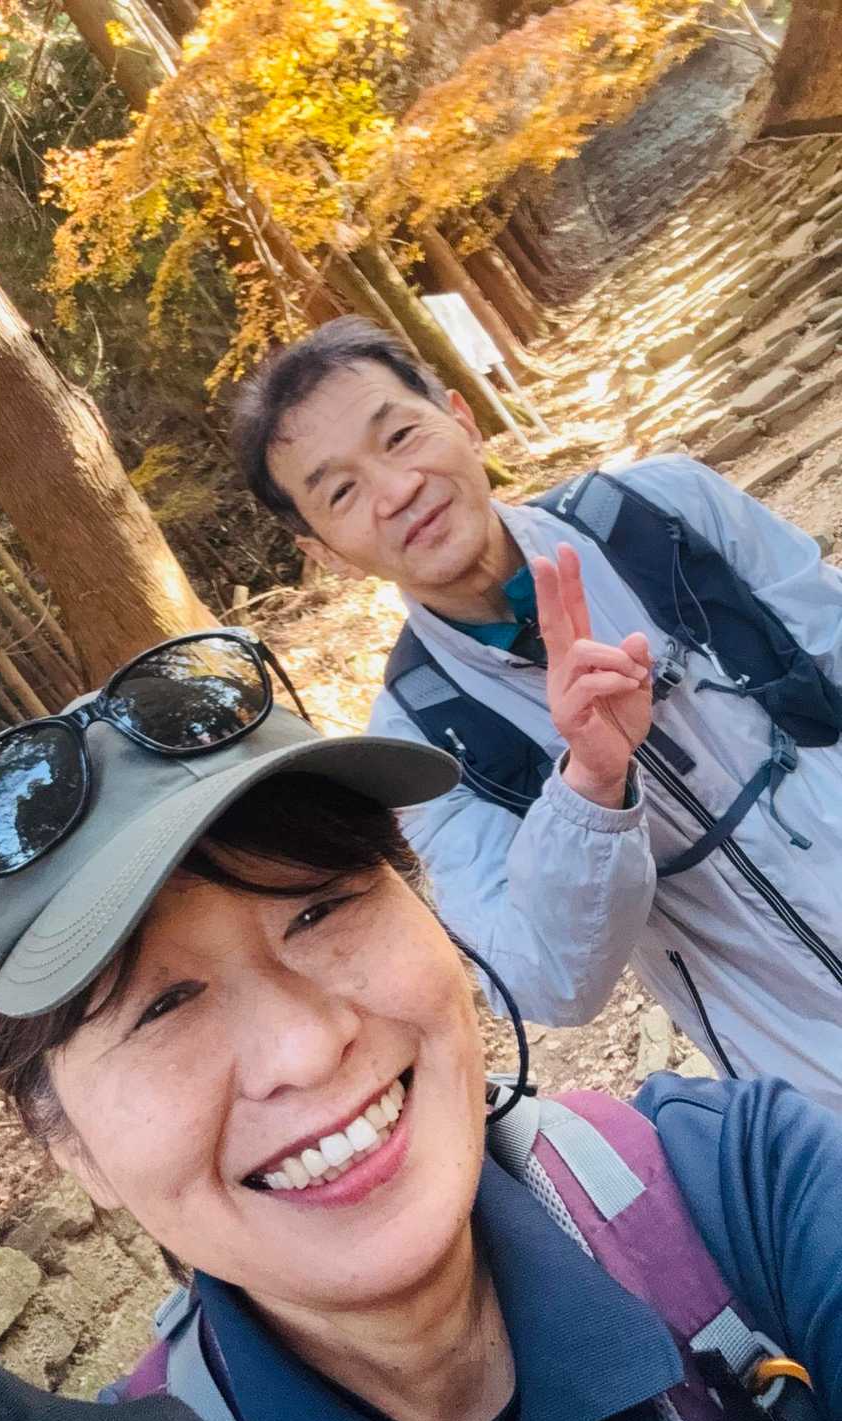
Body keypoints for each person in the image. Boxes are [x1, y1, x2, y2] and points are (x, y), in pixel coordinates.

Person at [0, 631, 841, 1421]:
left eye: (319, 911)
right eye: (162, 1006)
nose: (305, 1049)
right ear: (68, 1145)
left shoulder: (737, 1184)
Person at [232, 316, 842, 1110]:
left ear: (461, 417)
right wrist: (590, 785)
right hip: (802, 1059)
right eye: (341, 492)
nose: (397, 490)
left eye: (401, 436)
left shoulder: (662, 513)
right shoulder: (416, 741)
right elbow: (542, 981)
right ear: (322, 551)